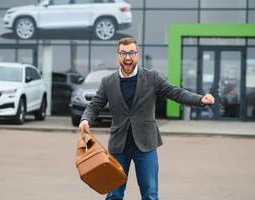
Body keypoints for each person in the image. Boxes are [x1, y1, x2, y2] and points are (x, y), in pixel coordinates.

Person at [79, 37, 214, 200]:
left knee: (150, 194)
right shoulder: (108, 82)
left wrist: (200, 99)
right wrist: (85, 119)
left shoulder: (152, 77)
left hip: (146, 145)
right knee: (114, 194)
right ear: (118, 56)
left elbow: (176, 93)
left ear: (138, 54)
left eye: (131, 53)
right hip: (118, 146)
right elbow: (94, 105)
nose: (127, 57)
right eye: (123, 53)